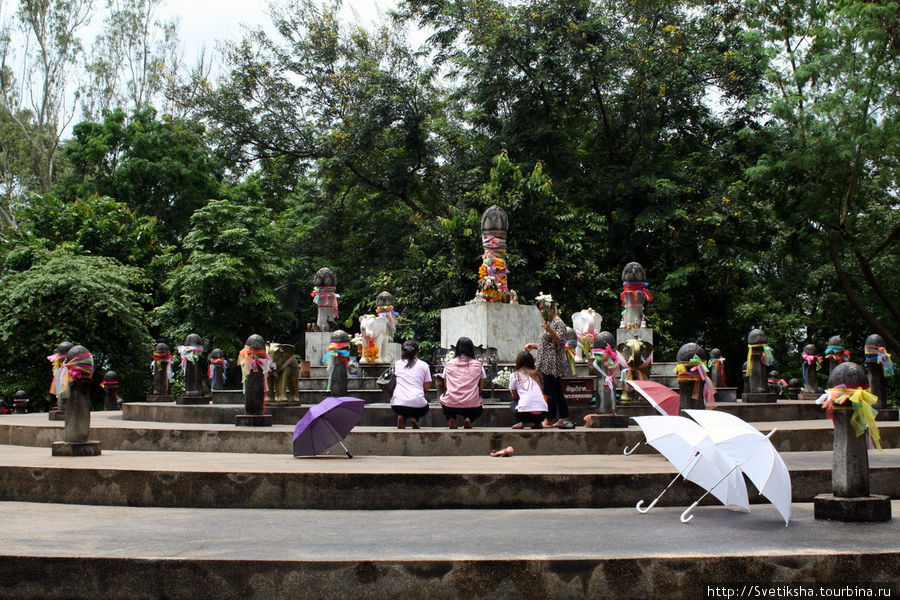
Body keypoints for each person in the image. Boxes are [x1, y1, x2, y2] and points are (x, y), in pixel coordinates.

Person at [525, 299, 569, 428]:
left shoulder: (558, 323)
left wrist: (550, 330)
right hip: (546, 361)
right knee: (555, 390)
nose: (541, 311)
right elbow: (548, 345)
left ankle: (549, 418)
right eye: (540, 309)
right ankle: (563, 416)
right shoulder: (549, 322)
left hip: (552, 363)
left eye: (543, 308)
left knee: (550, 391)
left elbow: (559, 344)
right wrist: (534, 346)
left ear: (551, 308)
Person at [438, 337, 485, 429]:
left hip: (451, 404)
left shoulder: (448, 364)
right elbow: (481, 388)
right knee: (479, 408)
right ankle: (468, 418)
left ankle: (451, 418)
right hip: (471, 405)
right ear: (472, 349)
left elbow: (446, 385)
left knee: (444, 400)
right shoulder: (478, 365)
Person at [390, 340, 432, 429]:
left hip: (397, 405)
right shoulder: (424, 365)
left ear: (403, 351)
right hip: (418, 406)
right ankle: (414, 418)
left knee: (403, 405)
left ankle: (402, 416)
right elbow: (427, 387)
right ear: (417, 352)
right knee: (425, 407)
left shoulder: (397, 364)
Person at [509, 351, 547, 429]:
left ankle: (520, 422)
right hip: (542, 414)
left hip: (524, 414)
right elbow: (541, 392)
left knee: (513, 403)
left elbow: (514, 396)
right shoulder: (537, 374)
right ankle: (538, 423)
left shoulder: (515, 375)